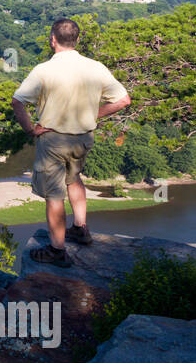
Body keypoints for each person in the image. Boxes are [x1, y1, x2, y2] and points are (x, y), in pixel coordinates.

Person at [11, 18, 131, 266]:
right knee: (74, 179)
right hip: (83, 138)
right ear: (76, 40)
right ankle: (80, 228)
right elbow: (123, 101)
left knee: (54, 195)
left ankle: (57, 250)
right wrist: (93, 114)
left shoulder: (44, 70)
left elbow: (17, 101)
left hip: (54, 140)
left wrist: (30, 129)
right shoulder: (96, 67)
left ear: (53, 39)